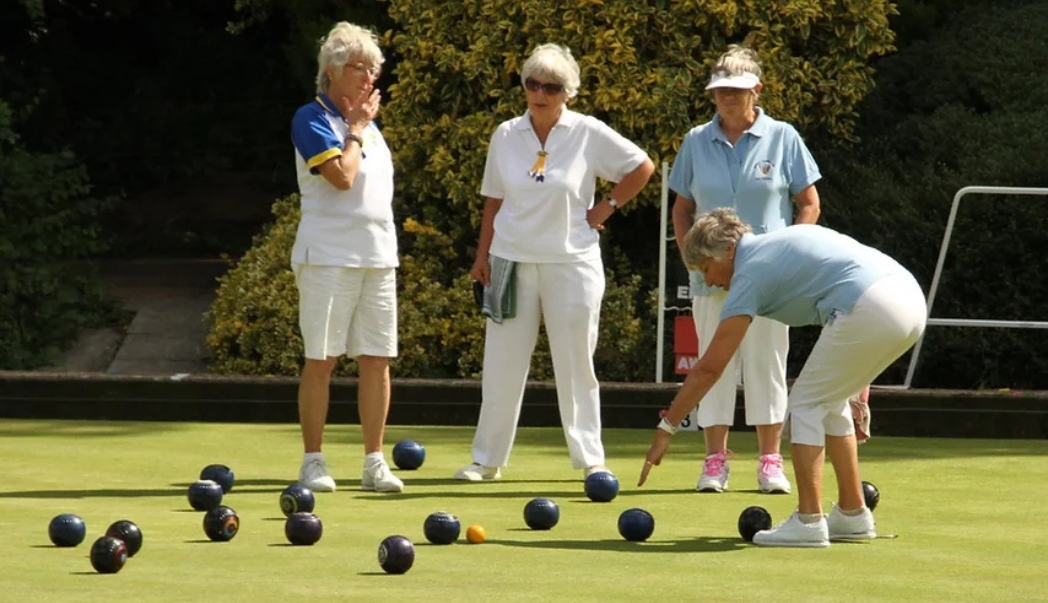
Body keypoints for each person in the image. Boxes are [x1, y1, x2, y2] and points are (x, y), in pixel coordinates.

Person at [638, 209, 927, 548]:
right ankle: (852, 514)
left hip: (871, 306)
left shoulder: (749, 273)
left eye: (705, 269)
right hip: (907, 299)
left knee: (805, 404)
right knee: (829, 402)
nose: (709, 281)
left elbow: (708, 369)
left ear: (727, 250)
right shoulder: (777, 243)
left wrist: (666, 429)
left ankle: (808, 521)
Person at [455, 43, 655, 482]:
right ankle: (486, 461)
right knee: (502, 365)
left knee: (576, 363)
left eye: (551, 86)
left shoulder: (587, 132)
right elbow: (493, 200)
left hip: (573, 263)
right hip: (510, 261)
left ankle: (590, 461)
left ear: (569, 92)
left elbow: (642, 166)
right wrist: (481, 256)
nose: (539, 93)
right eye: (532, 83)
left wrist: (606, 207)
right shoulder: (505, 134)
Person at [668, 45, 821, 494]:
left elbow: (808, 203)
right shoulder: (697, 140)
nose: (727, 99)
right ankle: (714, 461)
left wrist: (791, 249)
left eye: (736, 91)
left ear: (756, 89)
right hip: (710, 277)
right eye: (720, 92)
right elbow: (682, 209)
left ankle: (770, 462)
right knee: (713, 363)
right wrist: (690, 255)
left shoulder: (784, 136)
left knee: (766, 365)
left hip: (770, 278)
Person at [288, 22, 402, 493]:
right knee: (322, 359)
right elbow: (341, 179)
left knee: (377, 360)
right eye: (359, 67)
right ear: (333, 70)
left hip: (377, 256)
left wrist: (360, 128)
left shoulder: (370, 129)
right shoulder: (311, 118)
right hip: (328, 256)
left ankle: (374, 461)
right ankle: (313, 461)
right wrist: (354, 130)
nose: (369, 78)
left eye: (374, 69)